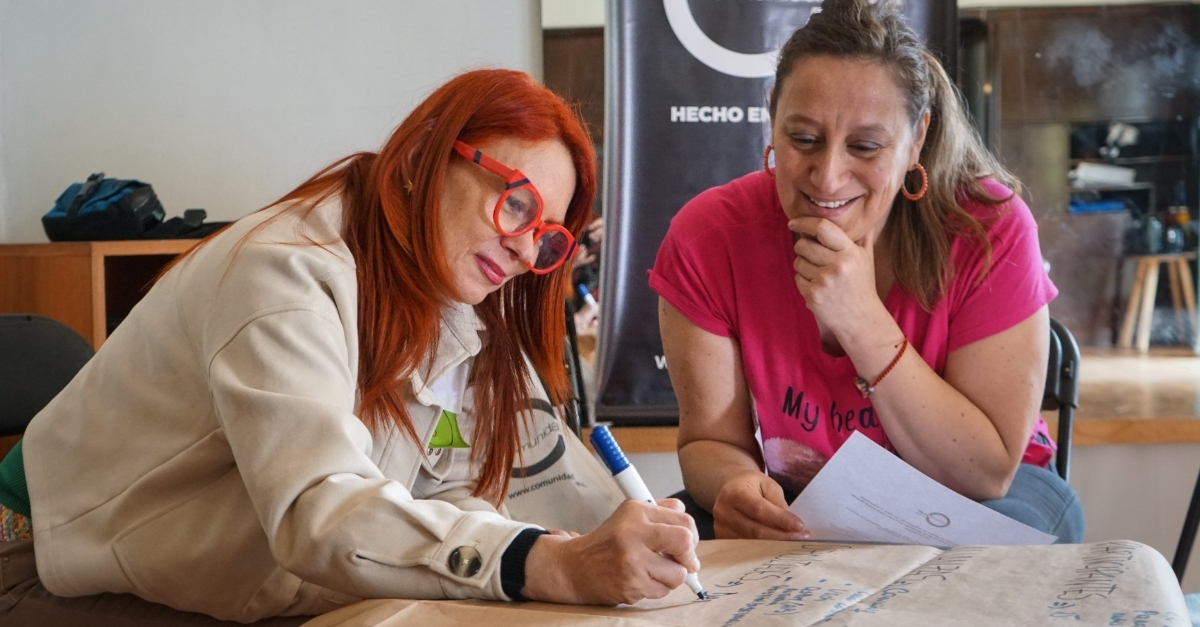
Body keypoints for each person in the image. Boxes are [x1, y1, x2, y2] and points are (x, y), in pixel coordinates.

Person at [0, 68, 700, 626]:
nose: (523, 248)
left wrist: (555, 551)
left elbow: (451, 483)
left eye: (546, 235)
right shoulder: (283, 270)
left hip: (235, 575)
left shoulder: (454, 300)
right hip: (51, 561)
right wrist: (548, 564)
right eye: (515, 201)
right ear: (429, 154)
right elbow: (319, 511)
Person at [649, 0, 1084, 544]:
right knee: (685, 530)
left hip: (984, 493)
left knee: (998, 553)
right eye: (803, 139)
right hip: (807, 492)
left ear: (916, 139)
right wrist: (735, 484)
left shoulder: (989, 227)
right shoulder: (708, 236)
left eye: (865, 146)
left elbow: (986, 470)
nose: (827, 177)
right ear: (772, 117)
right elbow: (709, 443)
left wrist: (860, 321)